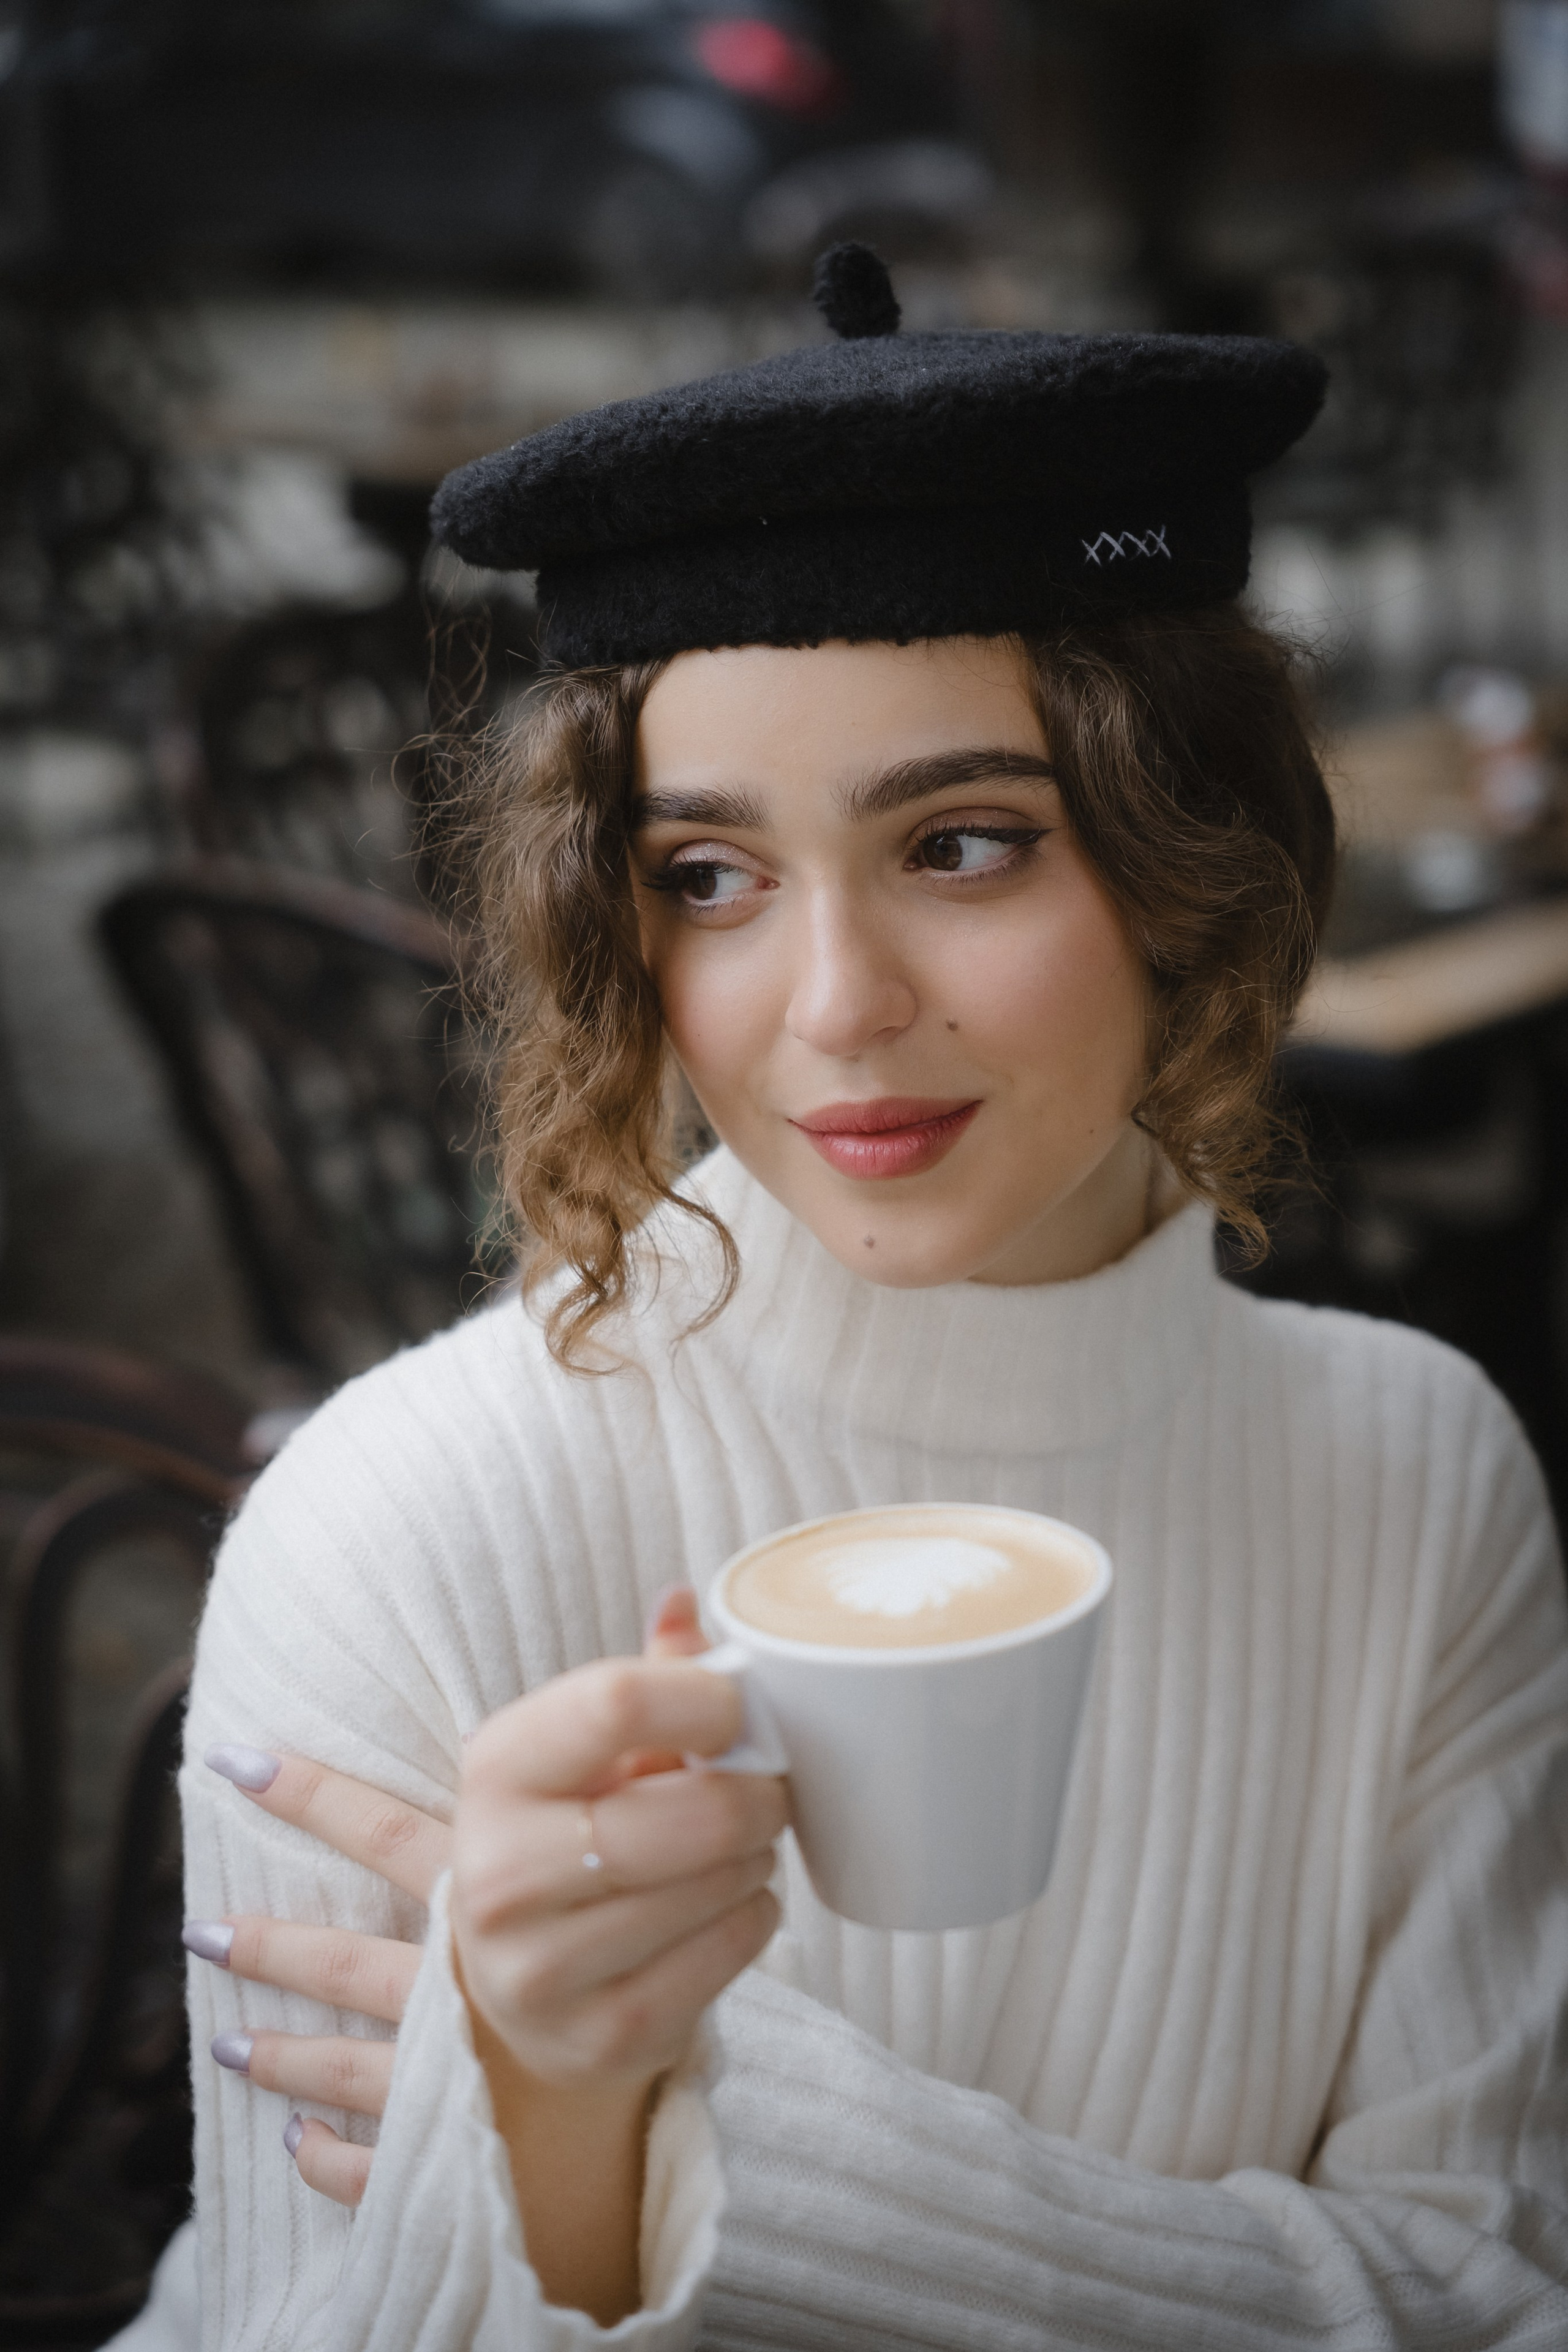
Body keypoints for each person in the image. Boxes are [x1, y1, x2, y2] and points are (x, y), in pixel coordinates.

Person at [118, 248, 1568, 2350]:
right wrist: (561, 2141)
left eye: (963, 844)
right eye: (706, 877)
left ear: (1196, 853)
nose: (834, 1008)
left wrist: (725, 2154)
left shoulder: (1419, 1483)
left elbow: (1495, 2296)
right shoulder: (402, 1533)